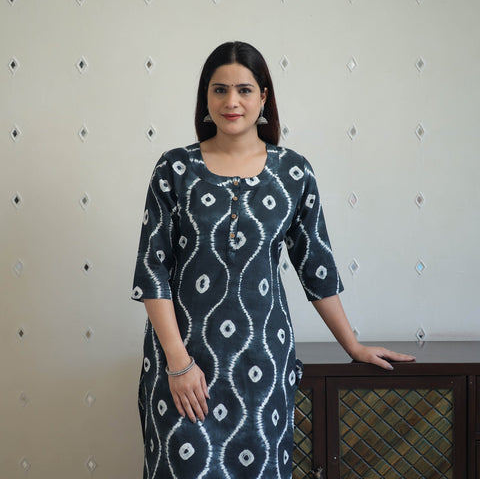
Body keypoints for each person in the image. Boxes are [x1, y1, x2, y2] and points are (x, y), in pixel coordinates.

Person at [131, 41, 415, 479]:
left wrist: (353, 345)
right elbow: (152, 271)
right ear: (206, 98)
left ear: (263, 97)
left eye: (244, 90)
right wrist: (178, 362)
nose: (232, 102)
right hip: (183, 366)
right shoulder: (175, 169)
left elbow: (316, 268)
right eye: (220, 90)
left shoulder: (293, 172)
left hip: (261, 367)